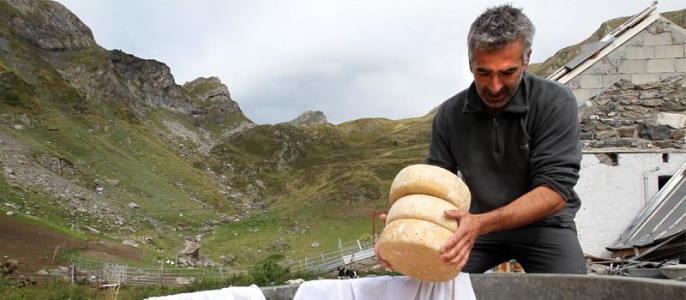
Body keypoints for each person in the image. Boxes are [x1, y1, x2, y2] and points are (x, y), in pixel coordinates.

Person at [378, 4, 587, 274]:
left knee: (574, 291)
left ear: (527, 59)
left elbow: (554, 194)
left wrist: (481, 223)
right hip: (473, 228)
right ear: (470, 63)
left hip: (545, 226)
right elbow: (432, 187)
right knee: (428, 283)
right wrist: (402, 227)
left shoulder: (555, 101)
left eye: (508, 72)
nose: (495, 86)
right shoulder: (450, 114)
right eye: (483, 72)